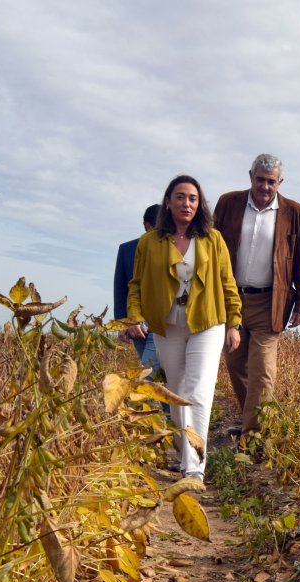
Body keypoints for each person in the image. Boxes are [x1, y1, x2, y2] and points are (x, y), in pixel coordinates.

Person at [124, 176, 242, 479]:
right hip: (167, 325)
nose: (186, 203)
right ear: (168, 202)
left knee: (198, 391)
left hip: (208, 320)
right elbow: (136, 284)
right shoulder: (149, 243)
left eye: (192, 198)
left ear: (199, 204)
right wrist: (134, 316)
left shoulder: (213, 239)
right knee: (176, 392)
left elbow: (228, 283)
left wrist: (234, 323)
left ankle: (195, 467)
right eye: (180, 197)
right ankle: (183, 451)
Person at [213, 154, 300, 437]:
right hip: (230, 299)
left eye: (271, 181)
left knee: (262, 371)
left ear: (280, 182)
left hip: (271, 302)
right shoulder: (228, 203)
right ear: (250, 176)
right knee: (235, 365)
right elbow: (211, 249)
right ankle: (251, 423)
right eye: (260, 179)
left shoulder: (296, 213)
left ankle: (256, 435)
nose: (265, 187)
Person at [114, 205, 162, 369]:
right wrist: (122, 324)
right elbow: (120, 289)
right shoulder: (127, 249)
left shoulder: (174, 249)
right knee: (154, 373)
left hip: (162, 324)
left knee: (148, 374)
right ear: (148, 226)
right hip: (136, 325)